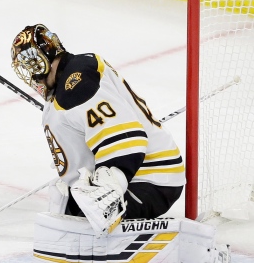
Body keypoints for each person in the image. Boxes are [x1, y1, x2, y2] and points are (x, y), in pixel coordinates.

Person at [10, 24, 186, 234]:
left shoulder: (77, 84)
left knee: (92, 207)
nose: (30, 75)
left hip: (152, 181)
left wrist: (104, 194)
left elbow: (129, 142)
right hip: (138, 179)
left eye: (30, 65)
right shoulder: (68, 83)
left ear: (42, 61)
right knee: (64, 199)